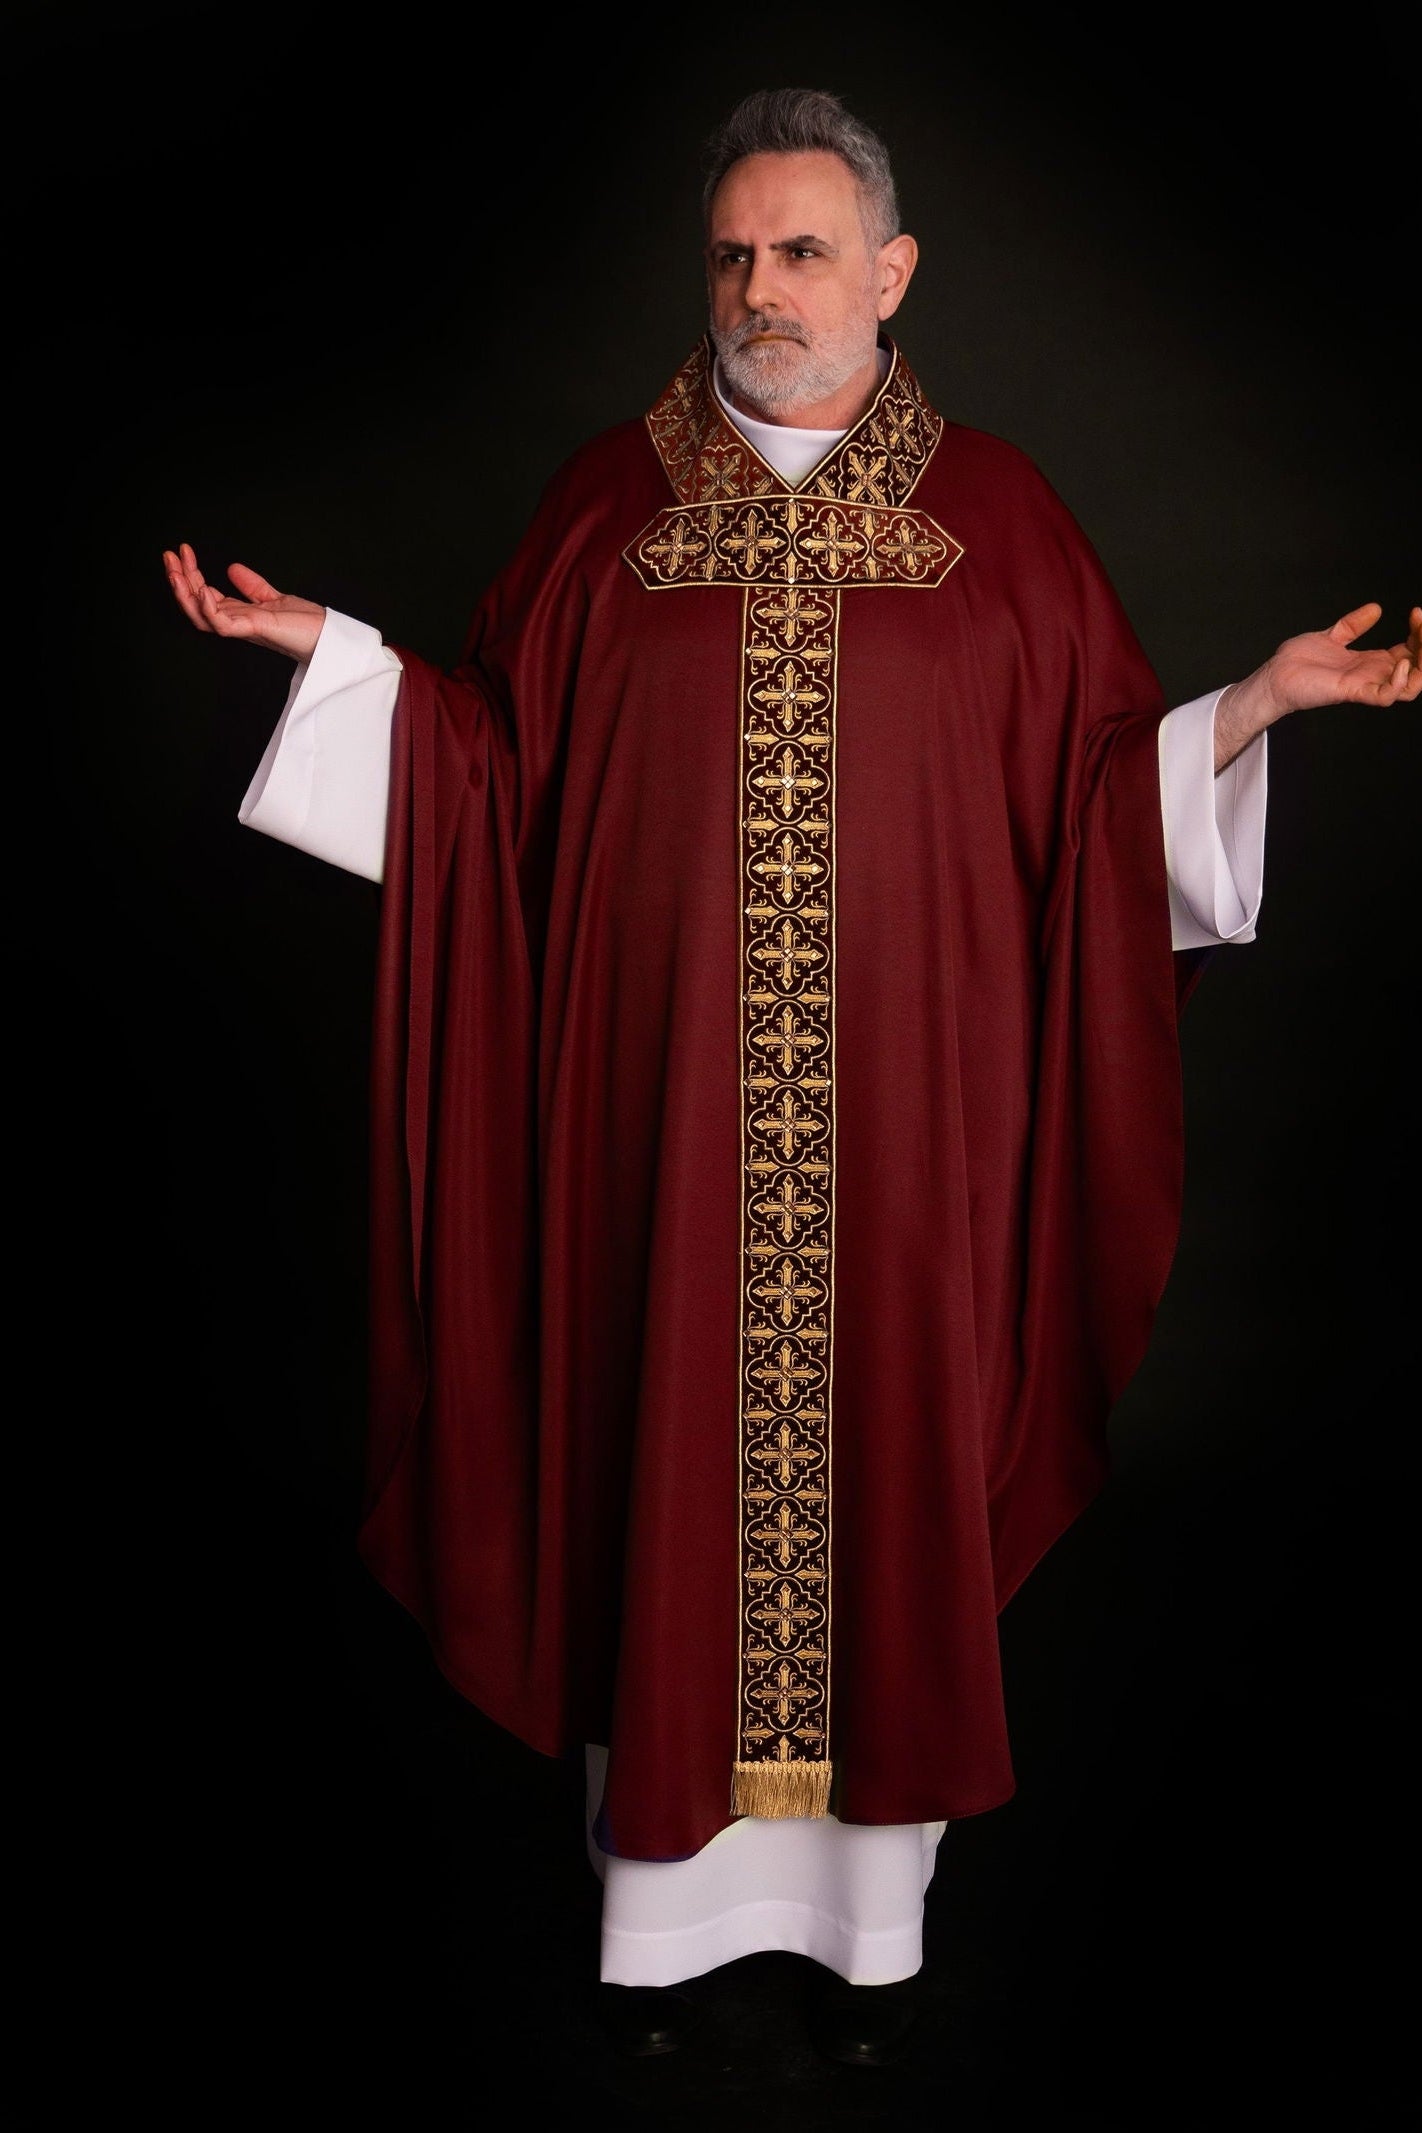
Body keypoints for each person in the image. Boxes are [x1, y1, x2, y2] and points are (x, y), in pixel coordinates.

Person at [163, 88, 1419, 2066]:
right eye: (736, 252)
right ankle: (663, 1918)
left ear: (896, 274)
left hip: (909, 1161)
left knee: (883, 1482)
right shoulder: (605, 509)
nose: (764, 287)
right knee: (669, 1463)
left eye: (807, 249)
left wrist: (1247, 706)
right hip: (657, 1152)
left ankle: (866, 1926)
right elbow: (496, 786)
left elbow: (1092, 810)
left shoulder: (999, 524)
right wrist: (349, 668)